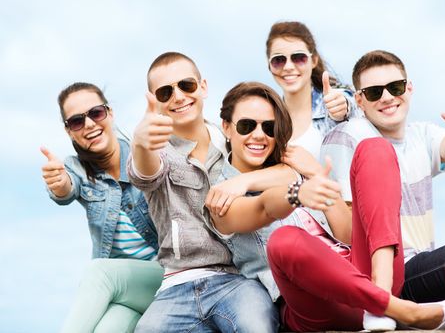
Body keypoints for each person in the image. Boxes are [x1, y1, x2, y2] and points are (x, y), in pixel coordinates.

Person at [209, 81, 445, 332]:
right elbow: (264, 208)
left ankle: (381, 298)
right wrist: (292, 191)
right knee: (284, 241)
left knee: (376, 147)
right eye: (246, 125)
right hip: (311, 303)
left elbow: (347, 234)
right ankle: (403, 310)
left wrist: (316, 174)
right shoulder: (220, 193)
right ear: (227, 127)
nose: (259, 135)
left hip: (363, 274)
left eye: (269, 127)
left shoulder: (296, 168)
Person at [320, 50, 445, 327]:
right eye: (373, 92)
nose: (386, 97)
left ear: (409, 87)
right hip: (386, 276)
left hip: (422, 267)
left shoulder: (421, 136)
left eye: (395, 87)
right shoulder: (349, 137)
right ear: (359, 100)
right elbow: (345, 231)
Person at [128, 52, 295, 332]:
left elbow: (288, 169)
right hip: (176, 286)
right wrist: (141, 144)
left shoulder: (234, 135)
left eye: (186, 85)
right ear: (155, 101)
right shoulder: (155, 151)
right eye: (165, 92)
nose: (179, 96)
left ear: (203, 87)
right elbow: (143, 173)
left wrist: (242, 182)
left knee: (257, 325)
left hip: (236, 280)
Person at [41, 82, 163, 333]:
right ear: (69, 131)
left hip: (163, 277)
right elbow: (66, 188)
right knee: (108, 328)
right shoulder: (75, 168)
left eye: (96, 113)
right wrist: (59, 184)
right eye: (76, 121)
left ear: (110, 113)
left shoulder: (141, 155)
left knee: (98, 272)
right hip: (125, 292)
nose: (88, 124)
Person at [265, 20, 358, 177]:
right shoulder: (266, 119)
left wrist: (342, 107)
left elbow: (349, 102)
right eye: (278, 60)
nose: (288, 67)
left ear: (313, 60)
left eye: (298, 57)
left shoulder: (332, 102)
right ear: (269, 66)